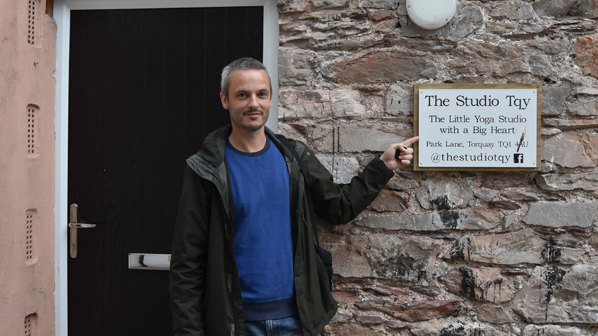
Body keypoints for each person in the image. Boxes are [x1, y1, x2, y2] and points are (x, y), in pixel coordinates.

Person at [169, 57, 419, 336]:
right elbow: (187, 263)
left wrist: (383, 167)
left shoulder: (295, 157)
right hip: (235, 324)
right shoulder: (206, 168)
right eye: (243, 95)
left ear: (270, 98)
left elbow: (339, 208)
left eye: (261, 94)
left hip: (296, 321)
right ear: (225, 100)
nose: (254, 103)